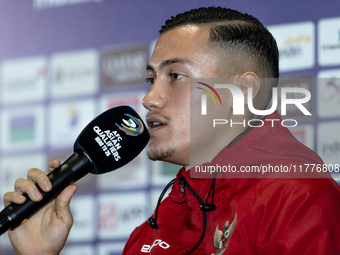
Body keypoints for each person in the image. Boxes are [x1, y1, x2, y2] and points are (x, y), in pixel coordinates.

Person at [3, 6, 340, 255]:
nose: (150, 98)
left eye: (175, 76)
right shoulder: (165, 215)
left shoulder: (298, 197)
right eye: (151, 80)